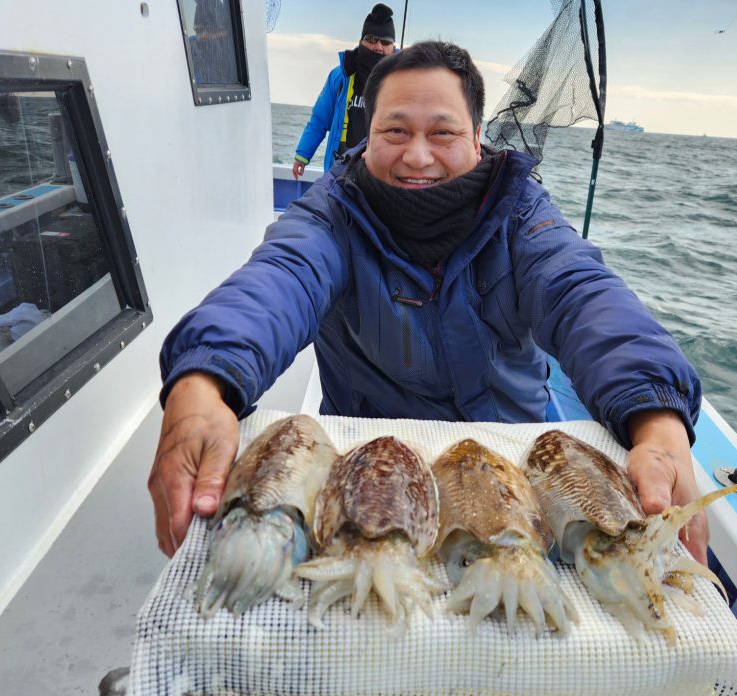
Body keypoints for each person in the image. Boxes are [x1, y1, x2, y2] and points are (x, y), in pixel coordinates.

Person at [149, 41, 707, 567]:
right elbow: (279, 279)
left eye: (442, 133)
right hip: (369, 465)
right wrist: (204, 380)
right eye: (395, 130)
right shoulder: (333, 213)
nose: (417, 157)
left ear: (477, 136)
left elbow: (582, 293)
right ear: (369, 132)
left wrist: (656, 416)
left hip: (510, 459)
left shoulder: (521, 216)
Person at [291, 3, 396, 178]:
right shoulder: (339, 76)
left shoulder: (404, 78)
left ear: (393, 46)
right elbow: (319, 119)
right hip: (342, 167)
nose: (378, 47)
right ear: (361, 41)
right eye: (371, 39)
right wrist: (302, 155)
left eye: (385, 42)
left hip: (383, 168)